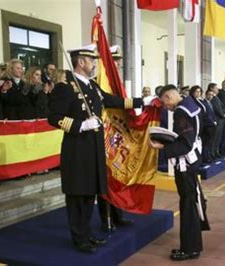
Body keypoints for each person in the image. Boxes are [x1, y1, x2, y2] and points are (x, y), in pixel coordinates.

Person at [47, 44, 147, 253]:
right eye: (91, 60)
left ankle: (86, 233)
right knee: (77, 196)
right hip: (76, 150)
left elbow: (113, 101)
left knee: (88, 194)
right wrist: (80, 125)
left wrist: (141, 101)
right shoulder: (65, 87)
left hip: (93, 149)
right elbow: (53, 118)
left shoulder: (92, 87)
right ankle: (79, 238)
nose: (94, 65)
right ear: (80, 61)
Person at [149, 85, 210, 261]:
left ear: (169, 97)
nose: (165, 107)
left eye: (164, 103)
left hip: (185, 165)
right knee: (191, 202)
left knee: (188, 205)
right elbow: (207, 128)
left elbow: (185, 144)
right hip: (194, 159)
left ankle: (190, 249)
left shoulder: (181, 113)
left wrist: (162, 147)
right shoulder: (193, 103)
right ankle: (192, 245)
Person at [95, 45, 135, 233]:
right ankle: (106, 219)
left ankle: (118, 215)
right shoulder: (99, 83)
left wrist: (140, 102)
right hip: (104, 135)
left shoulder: (117, 85)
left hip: (117, 133)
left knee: (118, 176)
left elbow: (119, 103)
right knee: (106, 179)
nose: (118, 65)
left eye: (118, 62)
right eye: (115, 61)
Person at [207, 83, 225, 158]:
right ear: (211, 88)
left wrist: (224, 112)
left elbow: (222, 106)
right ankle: (212, 153)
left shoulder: (217, 97)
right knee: (214, 139)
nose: (217, 89)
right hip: (217, 120)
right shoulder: (212, 98)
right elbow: (216, 109)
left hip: (221, 120)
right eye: (216, 88)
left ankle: (216, 152)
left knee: (218, 138)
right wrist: (223, 114)